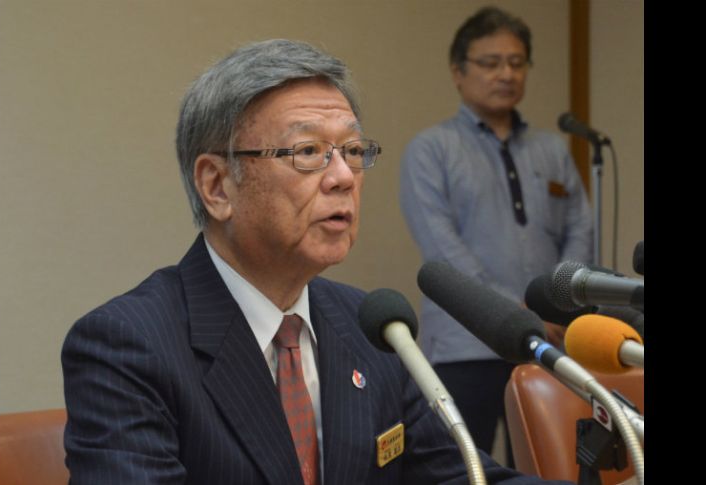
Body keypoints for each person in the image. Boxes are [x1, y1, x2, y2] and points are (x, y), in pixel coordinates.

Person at [62, 38, 573, 484]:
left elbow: (458, 478)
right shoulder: (127, 346)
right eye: (308, 151)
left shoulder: (373, 329)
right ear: (216, 186)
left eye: (352, 150)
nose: (344, 177)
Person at [399, 7, 594, 466]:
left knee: (554, 466)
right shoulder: (431, 150)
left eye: (516, 62)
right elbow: (443, 250)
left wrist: (557, 306)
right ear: (458, 71)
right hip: (465, 345)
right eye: (490, 63)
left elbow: (580, 229)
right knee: (466, 469)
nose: (506, 74)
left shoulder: (553, 149)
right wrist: (516, 311)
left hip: (549, 344)